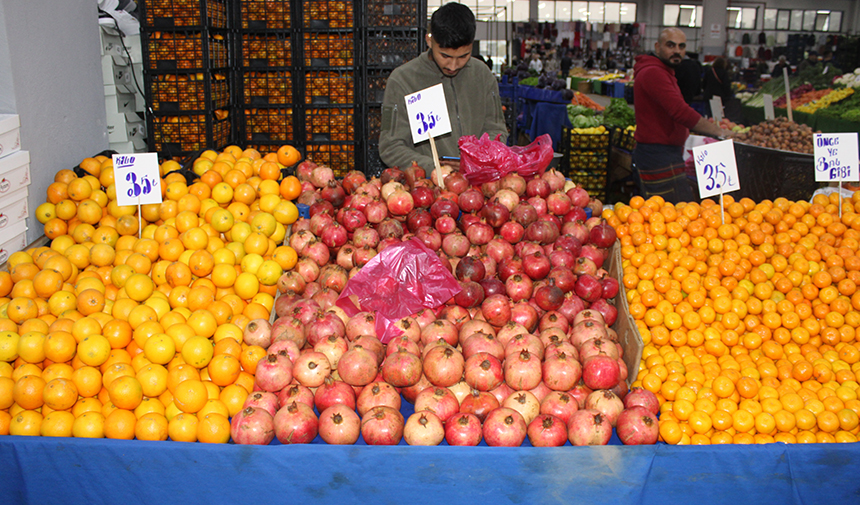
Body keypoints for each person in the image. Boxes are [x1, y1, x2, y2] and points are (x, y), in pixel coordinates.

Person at [378, 2, 507, 175]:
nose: (453, 65)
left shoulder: (482, 75)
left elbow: (497, 130)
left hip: (478, 181)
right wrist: (434, 167)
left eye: (463, 56)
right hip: (427, 187)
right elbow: (390, 146)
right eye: (445, 56)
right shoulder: (403, 80)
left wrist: (477, 158)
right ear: (429, 40)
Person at [632, 28, 732, 204]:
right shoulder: (654, 73)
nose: (677, 51)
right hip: (658, 156)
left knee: (671, 215)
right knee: (676, 213)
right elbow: (679, 111)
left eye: (681, 46)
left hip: (663, 153)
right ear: (657, 46)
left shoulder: (664, 71)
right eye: (670, 45)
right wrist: (720, 132)